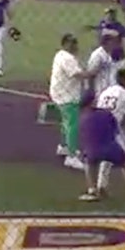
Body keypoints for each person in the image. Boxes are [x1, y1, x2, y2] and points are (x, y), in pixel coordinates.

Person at [78, 90, 125, 203]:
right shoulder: (106, 114)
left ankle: (92, 191)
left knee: (89, 162)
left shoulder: (82, 119)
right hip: (110, 148)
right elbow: (115, 130)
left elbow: (84, 138)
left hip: (93, 150)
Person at [49, 33, 104, 170]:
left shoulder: (61, 55)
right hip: (66, 96)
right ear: (66, 44)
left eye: (75, 42)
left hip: (60, 93)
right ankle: (71, 157)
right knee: (73, 125)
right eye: (72, 43)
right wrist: (93, 72)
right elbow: (78, 74)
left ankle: (63, 147)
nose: (75, 46)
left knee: (66, 121)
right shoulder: (67, 58)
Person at [84, 8, 125, 116]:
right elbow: (99, 30)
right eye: (107, 14)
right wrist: (91, 28)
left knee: (121, 80)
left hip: (119, 59)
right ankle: (109, 100)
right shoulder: (103, 24)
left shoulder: (119, 26)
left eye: (110, 15)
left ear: (114, 16)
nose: (108, 16)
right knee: (107, 80)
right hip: (107, 58)